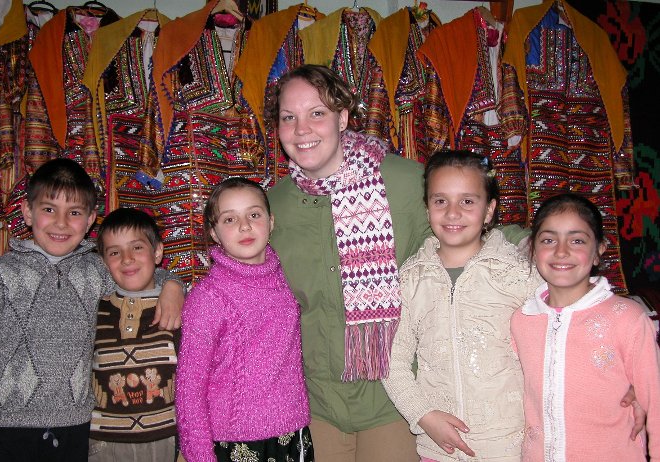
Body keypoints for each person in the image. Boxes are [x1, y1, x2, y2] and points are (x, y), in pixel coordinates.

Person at [265, 64, 436, 462]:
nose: (302, 129)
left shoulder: (407, 182)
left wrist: (532, 244)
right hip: (315, 403)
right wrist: (169, 283)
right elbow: (238, 277)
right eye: (289, 118)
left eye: (317, 113)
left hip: (394, 399)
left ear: (343, 117)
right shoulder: (273, 206)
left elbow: (466, 231)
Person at [0, 158, 183, 462]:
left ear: (91, 219)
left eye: (74, 212)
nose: (62, 223)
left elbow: (138, 271)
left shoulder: (97, 271)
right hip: (3, 431)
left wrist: (172, 284)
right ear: (27, 212)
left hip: (77, 430)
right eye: (49, 209)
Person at [382, 150, 540, 461]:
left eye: (467, 201)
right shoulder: (410, 279)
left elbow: (566, 334)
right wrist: (424, 416)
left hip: (510, 445)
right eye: (440, 201)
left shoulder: (519, 273)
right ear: (427, 209)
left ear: (489, 209)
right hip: (438, 447)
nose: (453, 213)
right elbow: (392, 362)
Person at [511, 193, 660, 461]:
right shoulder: (522, 320)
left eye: (577, 240)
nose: (561, 251)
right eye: (548, 240)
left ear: (599, 250)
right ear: (533, 249)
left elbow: (656, 405)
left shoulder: (627, 318)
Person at [176, 177, 313, 462]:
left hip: (293, 433)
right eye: (229, 219)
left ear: (271, 221)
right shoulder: (208, 298)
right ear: (214, 233)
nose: (244, 226)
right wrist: (199, 455)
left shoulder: (286, 279)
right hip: (236, 443)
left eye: (254, 214)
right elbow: (190, 387)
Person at [89, 208, 180, 461]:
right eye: (115, 252)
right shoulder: (94, 311)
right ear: (104, 262)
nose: (127, 259)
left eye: (137, 247)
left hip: (165, 439)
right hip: (104, 444)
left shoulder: (176, 311)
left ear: (158, 252)